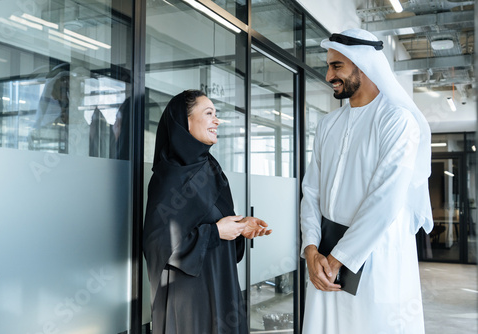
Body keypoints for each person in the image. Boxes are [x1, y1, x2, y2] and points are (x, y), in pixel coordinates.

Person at [300, 29, 434, 333]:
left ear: (365, 65)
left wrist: (338, 260)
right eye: (328, 66)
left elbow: (386, 201)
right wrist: (310, 248)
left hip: (376, 256)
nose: (328, 75)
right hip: (324, 256)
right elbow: (311, 192)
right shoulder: (328, 124)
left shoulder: (397, 121)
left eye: (337, 66)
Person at [143, 89, 272, 334]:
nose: (217, 120)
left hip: (221, 281)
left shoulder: (210, 168)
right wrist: (215, 232)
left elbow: (216, 221)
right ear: (185, 122)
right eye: (209, 113)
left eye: (216, 113)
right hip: (189, 297)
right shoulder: (169, 177)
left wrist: (241, 226)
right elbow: (157, 243)